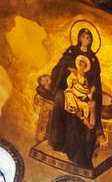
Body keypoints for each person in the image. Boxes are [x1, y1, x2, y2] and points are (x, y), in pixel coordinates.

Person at [43, 28, 103, 167]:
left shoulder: (93, 59)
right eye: (83, 37)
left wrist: (91, 92)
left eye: (88, 38)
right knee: (60, 100)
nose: (85, 40)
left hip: (84, 93)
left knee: (87, 110)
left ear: (91, 41)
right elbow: (59, 69)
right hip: (67, 89)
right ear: (79, 38)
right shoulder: (72, 51)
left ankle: (80, 152)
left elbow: (95, 81)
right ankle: (58, 141)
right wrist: (72, 71)